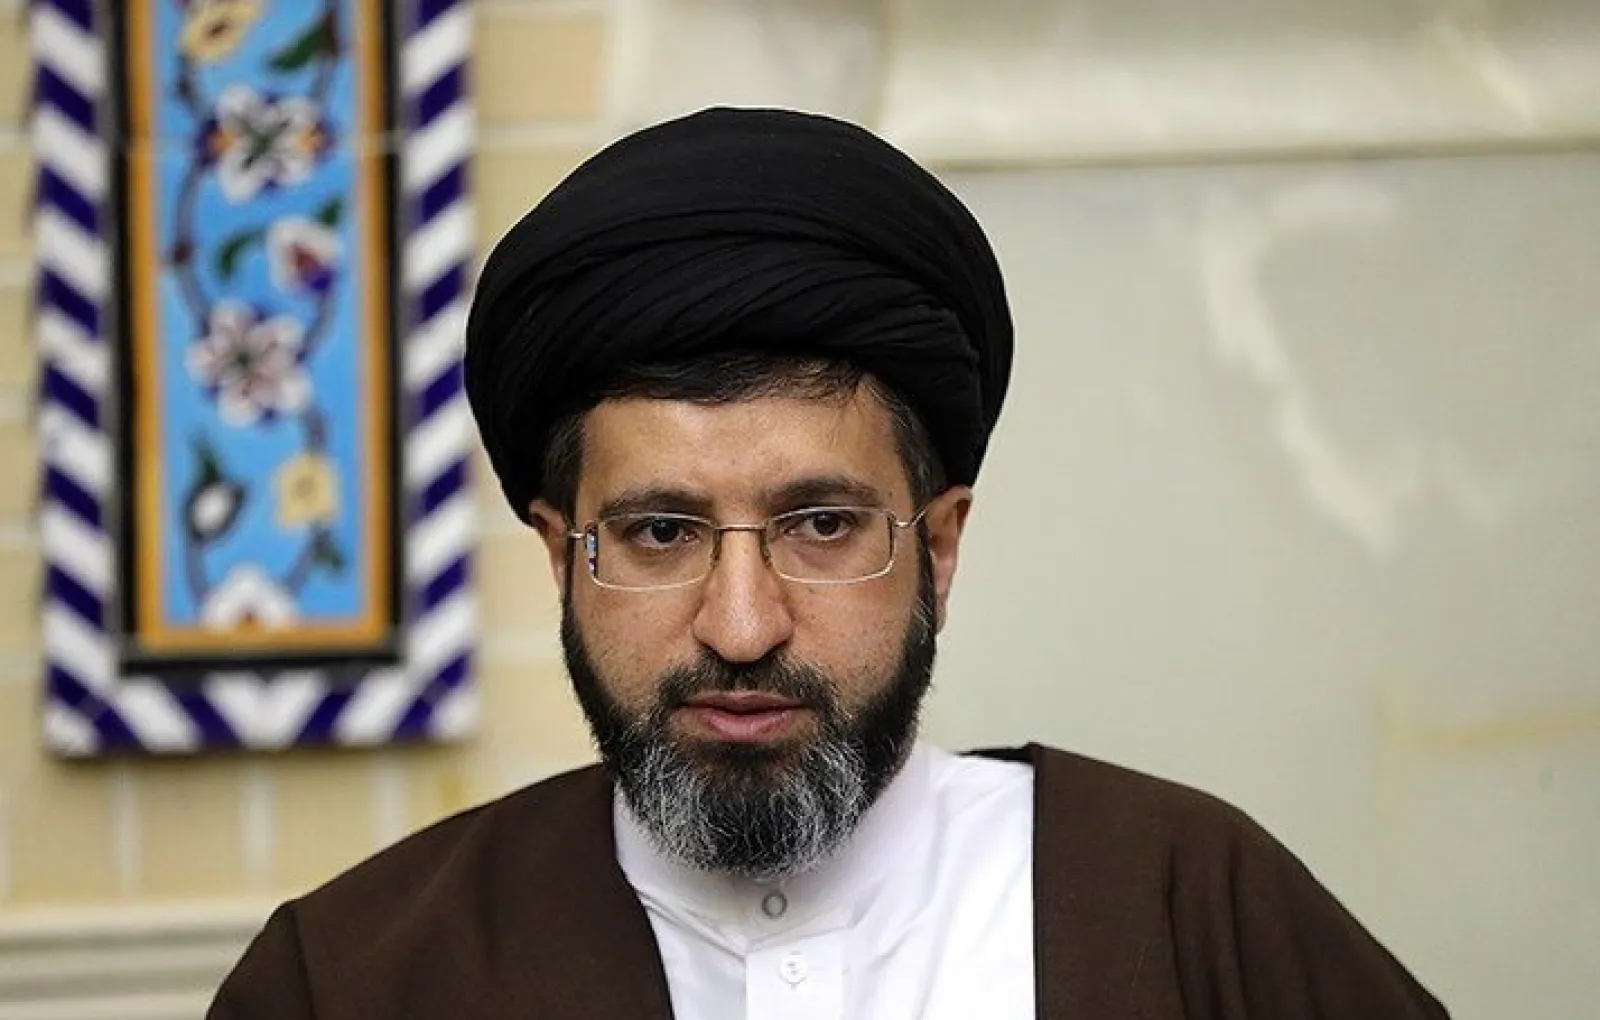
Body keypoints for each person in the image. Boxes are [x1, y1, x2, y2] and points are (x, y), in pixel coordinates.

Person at [207, 107, 1449, 1020]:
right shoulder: (352, 979)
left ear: (939, 548)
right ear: (560, 557)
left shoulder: (1185, 906)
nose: (742, 626)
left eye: (820, 526)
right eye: (660, 533)